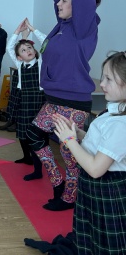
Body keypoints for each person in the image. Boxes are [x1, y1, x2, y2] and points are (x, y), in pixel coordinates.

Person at [26, 0, 102, 211]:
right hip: (54, 98)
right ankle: (58, 183)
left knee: (69, 153)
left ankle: (70, 197)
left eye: (64, 1)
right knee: (34, 134)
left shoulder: (84, 27)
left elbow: (83, 0)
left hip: (72, 101)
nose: (58, 3)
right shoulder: (63, 25)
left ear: (78, 6)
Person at [53, 51, 126, 254]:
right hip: (95, 188)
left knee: (106, 241)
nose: (101, 84)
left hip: (107, 188)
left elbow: (95, 169)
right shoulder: (113, 111)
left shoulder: (121, 125)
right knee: (92, 233)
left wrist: (69, 140)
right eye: (103, 77)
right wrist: (77, 133)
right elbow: (100, 145)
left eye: (109, 79)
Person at [4, 18, 46, 181]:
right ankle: (26, 157)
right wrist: (17, 31)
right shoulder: (20, 65)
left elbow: (47, 43)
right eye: (23, 50)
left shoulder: (40, 62)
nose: (28, 50)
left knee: (36, 136)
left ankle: (38, 169)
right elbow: (9, 47)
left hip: (37, 101)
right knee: (22, 133)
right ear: (19, 57)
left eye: (29, 47)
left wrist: (33, 29)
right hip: (24, 100)